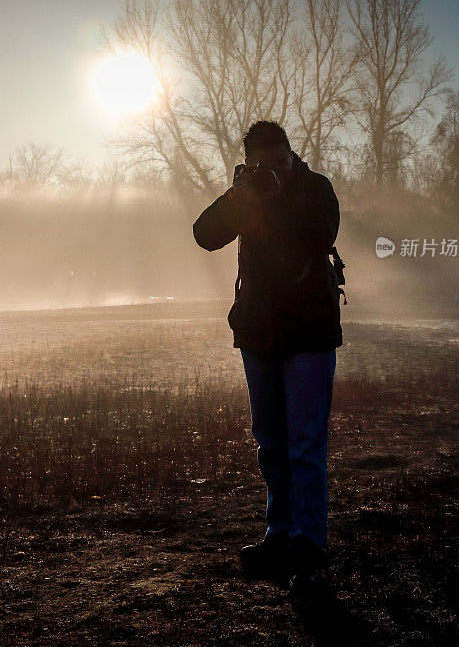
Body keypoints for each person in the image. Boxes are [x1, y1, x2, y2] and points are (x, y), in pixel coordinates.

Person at [192, 120, 343, 595]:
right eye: (263, 165)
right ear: (251, 161)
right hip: (258, 333)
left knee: (304, 445)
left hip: (309, 333)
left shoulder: (316, 189)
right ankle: (279, 537)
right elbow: (204, 234)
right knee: (271, 443)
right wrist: (243, 197)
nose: (273, 172)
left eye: (280, 162)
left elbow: (319, 235)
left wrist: (273, 199)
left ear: (290, 153)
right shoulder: (245, 195)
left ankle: (307, 551)